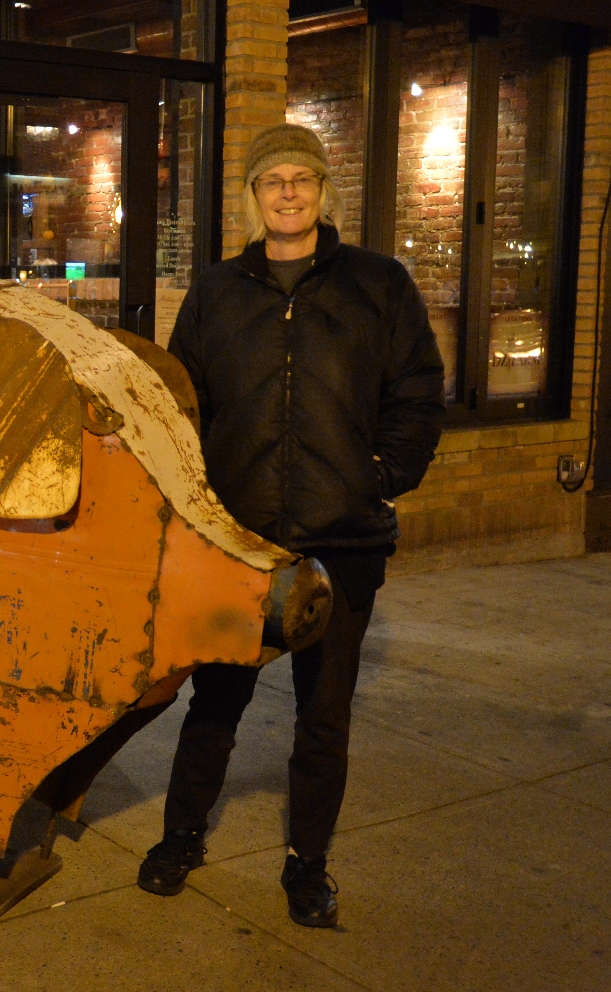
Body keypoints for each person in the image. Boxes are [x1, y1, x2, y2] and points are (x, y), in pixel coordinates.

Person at [137, 124, 445, 927]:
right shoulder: (216, 291)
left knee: (323, 717)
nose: (287, 193)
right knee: (214, 704)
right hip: (239, 543)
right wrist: (196, 504)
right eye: (271, 180)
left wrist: (380, 474)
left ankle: (307, 863)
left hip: (341, 540)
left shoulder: (377, 284)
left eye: (300, 179)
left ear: (322, 192)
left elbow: (417, 392)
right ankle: (181, 836)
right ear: (253, 197)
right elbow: (181, 404)